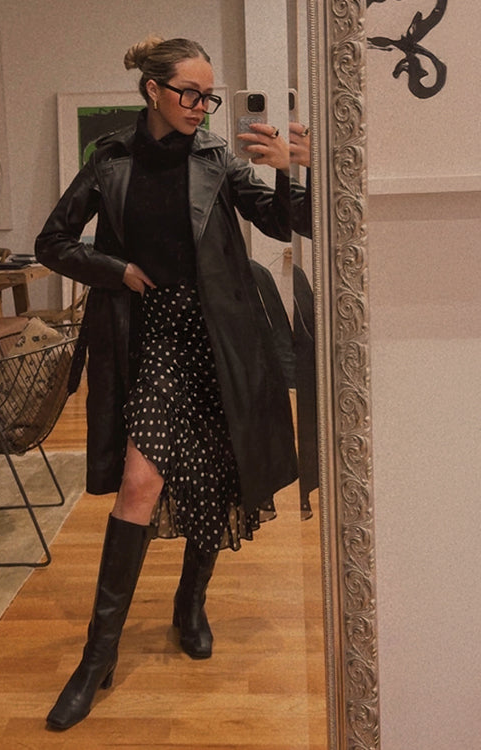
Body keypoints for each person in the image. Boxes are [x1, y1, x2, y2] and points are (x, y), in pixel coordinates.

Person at [35, 35, 312, 731]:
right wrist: (115, 271)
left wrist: (292, 172)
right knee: (140, 483)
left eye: (208, 96)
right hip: (151, 336)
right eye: (190, 92)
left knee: (213, 474)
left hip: (220, 335)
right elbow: (52, 242)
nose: (201, 106)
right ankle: (97, 657)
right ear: (153, 90)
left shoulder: (218, 159)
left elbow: (290, 224)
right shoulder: (109, 160)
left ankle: (191, 603)